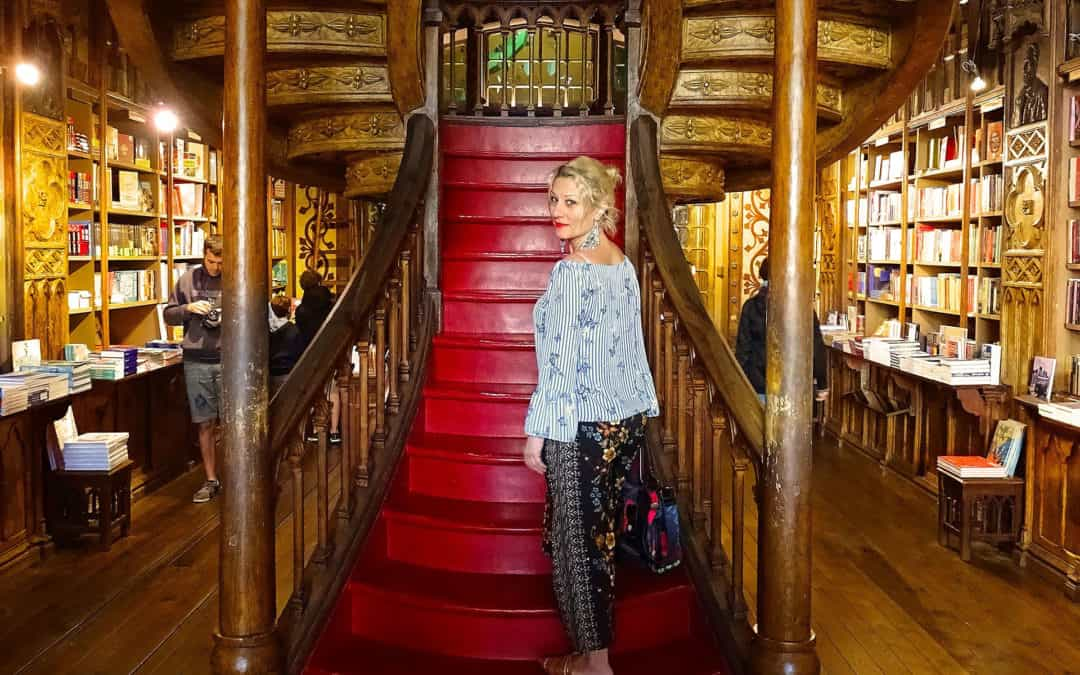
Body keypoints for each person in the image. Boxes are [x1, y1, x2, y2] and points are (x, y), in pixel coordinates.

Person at [524, 157, 659, 675]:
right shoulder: (620, 263)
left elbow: (557, 365)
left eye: (570, 201)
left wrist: (537, 433)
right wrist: (640, 409)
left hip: (579, 428)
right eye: (553, 200)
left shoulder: (571, 273)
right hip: (621, 423)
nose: (557, 211)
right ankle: (588, 654)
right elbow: (631, 348)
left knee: (578, 547)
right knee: (596, 539)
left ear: (598, 207)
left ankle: (593, 665)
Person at [164, 235, 224, 503]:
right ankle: (211, 479)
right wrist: (188, 308)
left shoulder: (236, 278)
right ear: (204, 255)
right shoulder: (188, 279)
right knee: (204, 422)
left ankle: (238, 477)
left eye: (221, 263)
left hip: (229, 359)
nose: (215, 268)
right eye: (211, 261)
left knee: (235, 423)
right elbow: (168, 314)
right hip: (196, 360)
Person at [735, 256, 828, 404]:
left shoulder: (750, 307)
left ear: (762, 275)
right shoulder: (803, 308)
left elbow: (742, 350)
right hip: (794, 384)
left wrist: (740, 384)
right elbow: (815, 347)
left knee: (759, 426)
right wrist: (822, 384)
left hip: (757, 383)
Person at [295, 270, 341, 444]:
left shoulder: (302, 309)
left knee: (315, 391)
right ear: (319, 281)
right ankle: (335, 431)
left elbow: (302, 331)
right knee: (333, 390)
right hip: (331, 349)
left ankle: (316, 430)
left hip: (310, 353)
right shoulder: (331, 302)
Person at [269, 295, 303, 395]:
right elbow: (299, 352)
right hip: (288, 373)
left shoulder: (266, 330)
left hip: (270, 374)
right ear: (289, 309)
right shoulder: (294, 330)